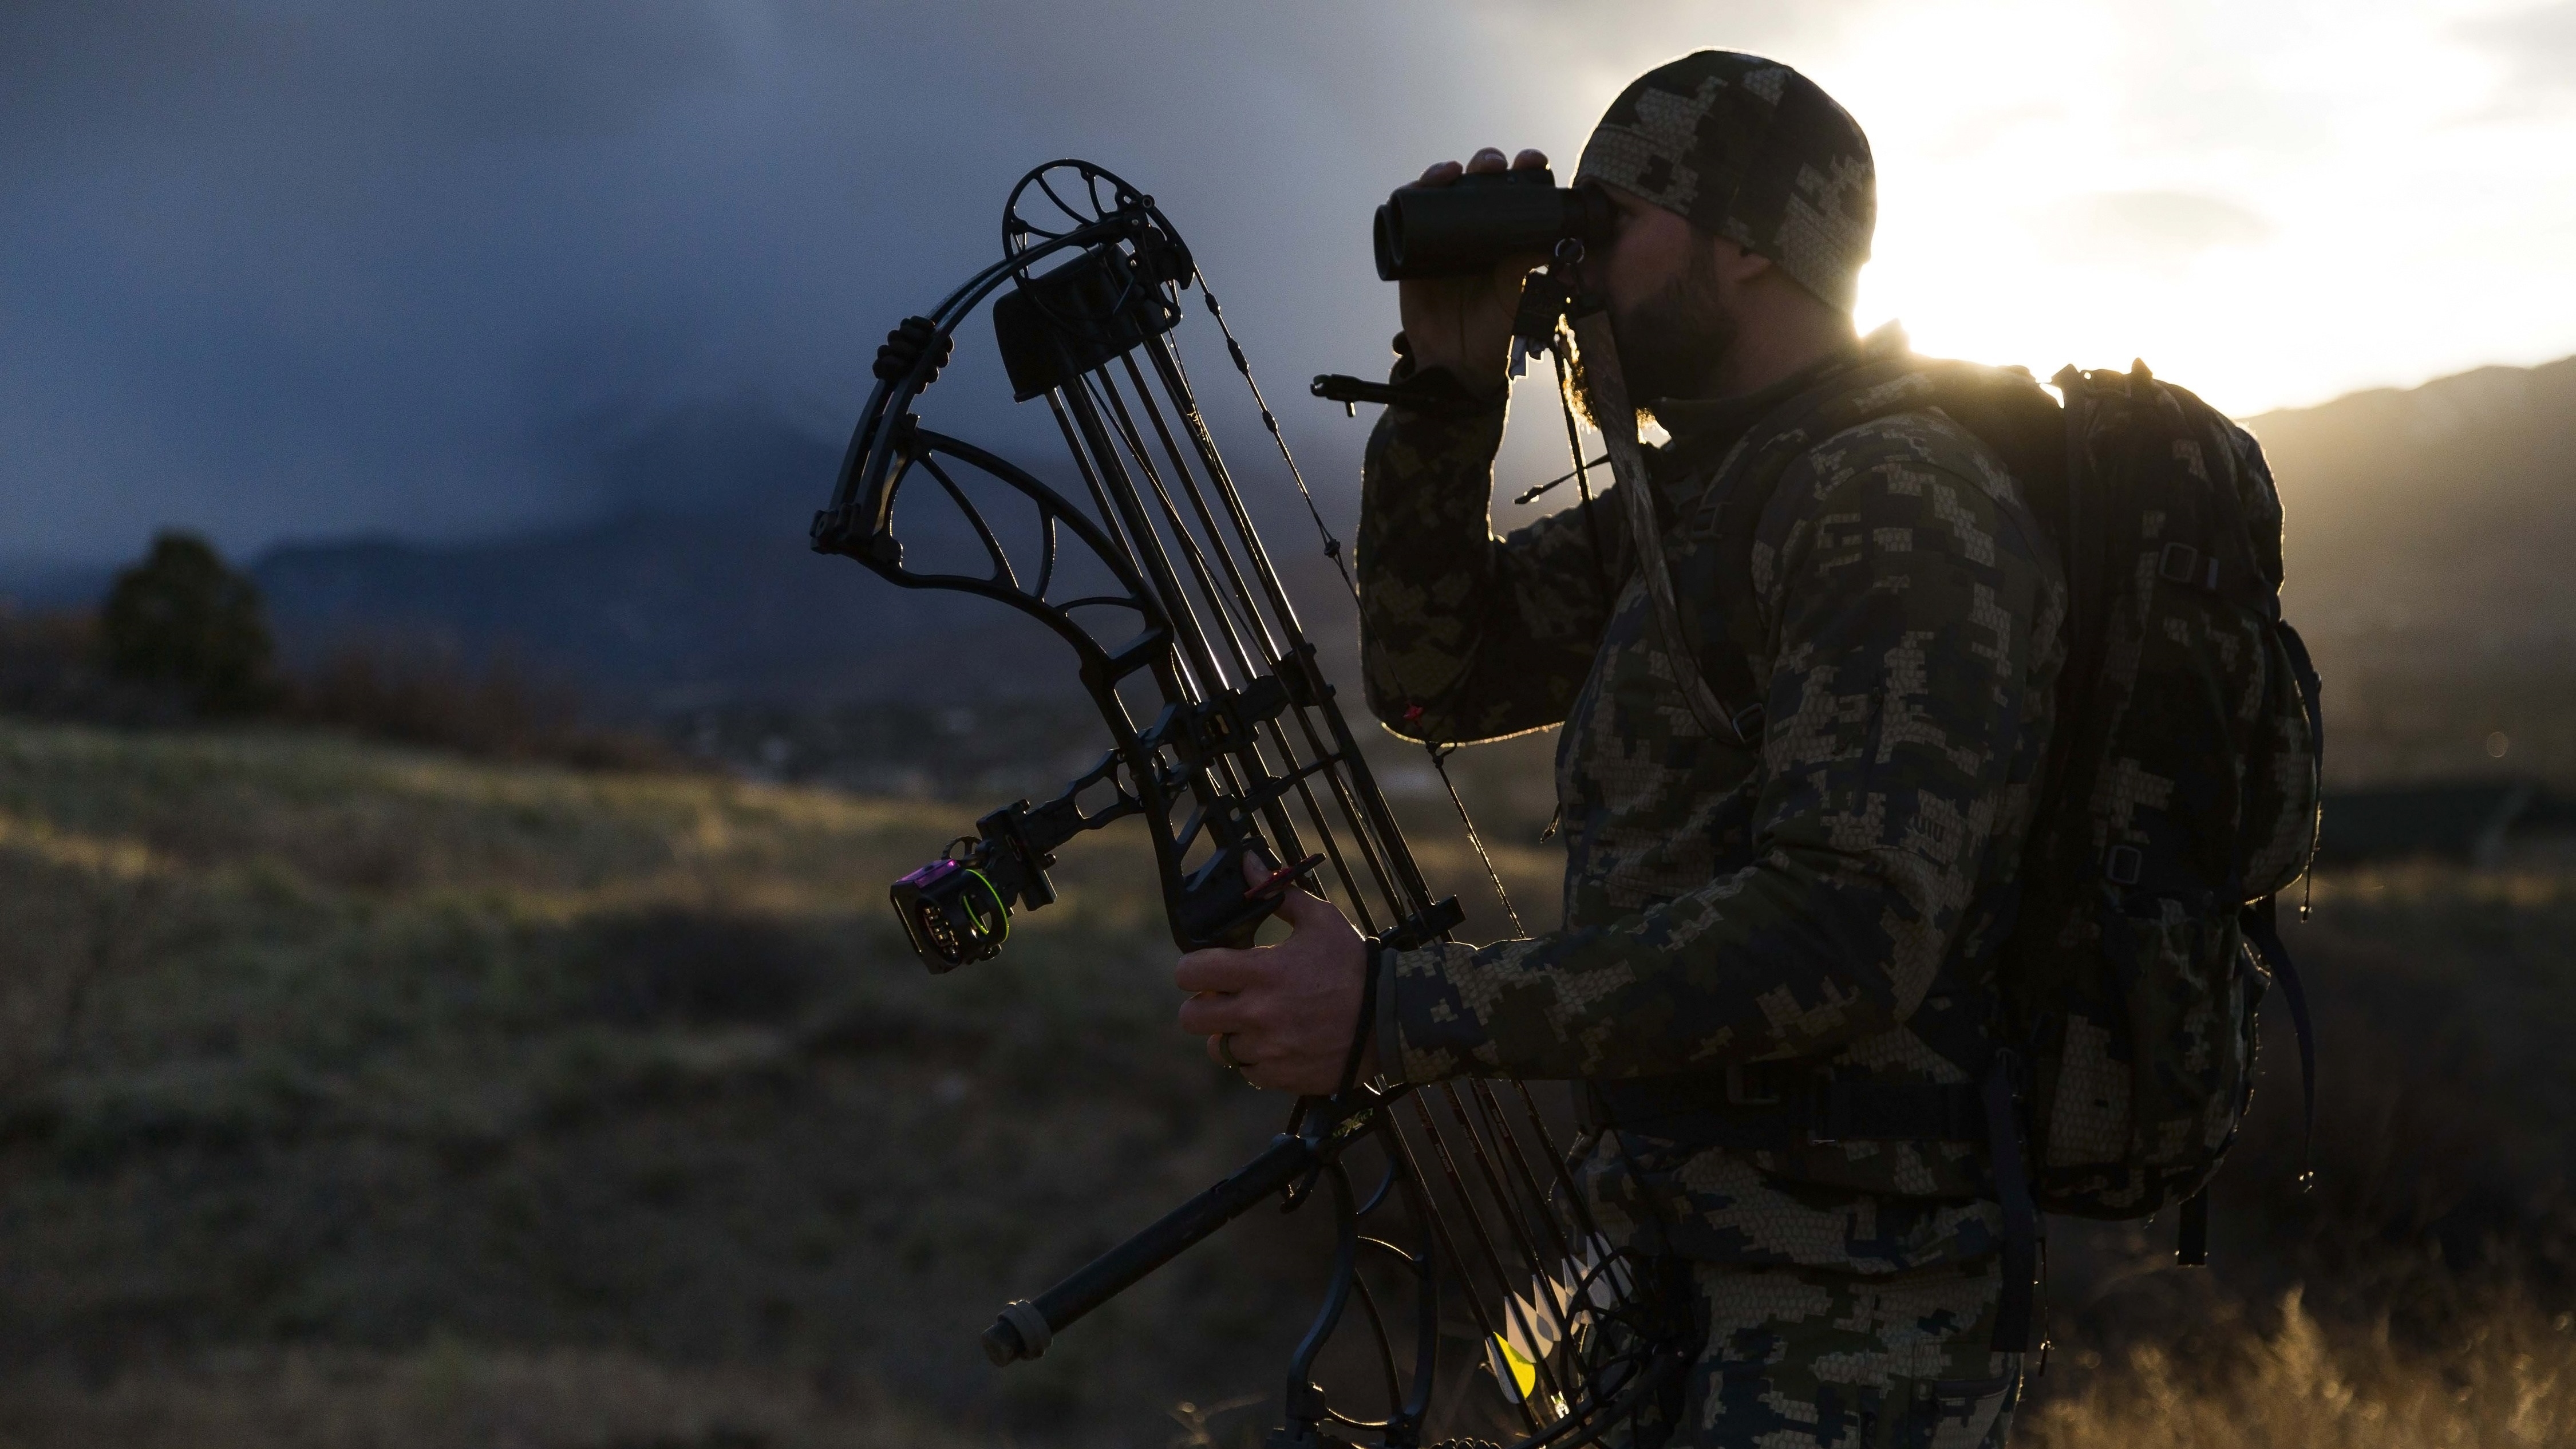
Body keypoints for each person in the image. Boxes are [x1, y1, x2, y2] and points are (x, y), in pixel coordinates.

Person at [1173, 50, 2064, 1448]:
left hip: (1851, 1319)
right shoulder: (1708, 496)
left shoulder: (1892, 495)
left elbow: (1852, 925)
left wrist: (1404, 1011)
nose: (1572, 275)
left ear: (1756, 249)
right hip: (1670, 1266)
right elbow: (1431, 675)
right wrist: (1452, 383)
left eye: (1610, 228)